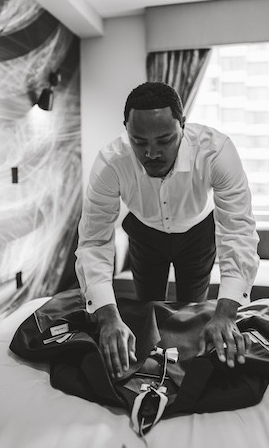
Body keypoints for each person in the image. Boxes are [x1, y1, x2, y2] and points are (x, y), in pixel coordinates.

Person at [75, 82, 259, 380]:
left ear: (182, 127)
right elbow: (94, 241)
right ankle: (151, 371)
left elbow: (237, 231)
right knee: (148, 312)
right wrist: (107, 317)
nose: (151, 153)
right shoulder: (111, 163)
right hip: (144, 235)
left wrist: (226, 314)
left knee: (194, 313)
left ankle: (187, 370)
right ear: (126, 130)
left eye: (164, 140)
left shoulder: (216, 151)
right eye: (139, 141)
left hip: (198, 234)